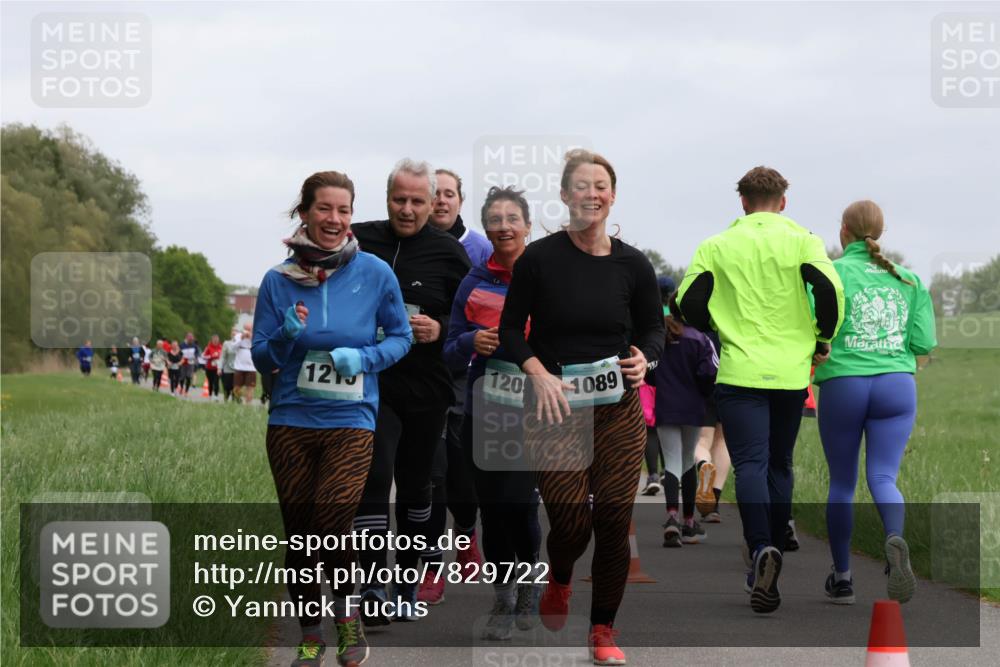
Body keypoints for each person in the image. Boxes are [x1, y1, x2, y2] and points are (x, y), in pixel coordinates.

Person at [498, 149, 664, 664]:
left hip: (616, 406)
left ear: (612, 196)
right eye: (582, 186)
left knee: (614, 517)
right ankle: (561, 575)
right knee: (571, 523)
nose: (592, 194)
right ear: (566, 195)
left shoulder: (633, 263)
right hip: (555, 406)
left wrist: (645, 359)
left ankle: (602, 630)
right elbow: (508, 331)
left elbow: (653, 329)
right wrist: (539, 374)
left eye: (602, 186)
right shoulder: (539, 259)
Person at [252, 170, 412, 666]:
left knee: (332, 522)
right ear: (304, 212)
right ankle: (310, 633)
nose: (335, 220)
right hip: (292, 421)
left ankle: (347, 620)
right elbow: (261, 356)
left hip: (352, 418)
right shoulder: (278, 280)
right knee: (300, 535)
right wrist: (283, 334)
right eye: (325, 209)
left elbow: (401, 337)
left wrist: (363, 360)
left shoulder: (375, 273)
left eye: (344, 210)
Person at [677, 166, 844, 614]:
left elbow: (686, 301)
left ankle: (759, 551)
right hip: (791, 374)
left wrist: (715, 325)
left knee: (749, 462)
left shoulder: (716, 245)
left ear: (744, 202)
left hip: (740, 371)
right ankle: (774, 543)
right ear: (783, 202)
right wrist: (821, 336)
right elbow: (828, 290)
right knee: (779, 463)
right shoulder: (804, 240)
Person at [351, 159, 471, 625]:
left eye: (417, 201)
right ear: (386, 199)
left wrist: (439, 327)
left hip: (427, 384)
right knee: (375, 479)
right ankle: (374, 583)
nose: (407, 209)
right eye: (399, 200)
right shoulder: (360, 239)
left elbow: (470, 319)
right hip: (372, 383)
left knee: (418, 484)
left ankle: (407, 577)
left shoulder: (448, 253)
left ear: (432, 203)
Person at [814, 200, 936, 605]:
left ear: (843, 231)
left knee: (843, 484)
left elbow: (815, 331)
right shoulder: (909, 280)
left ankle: (843, 578)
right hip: (896, 385)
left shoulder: (830, 273)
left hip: (845, 384)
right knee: (884, 478)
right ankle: (894, 538)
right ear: (880, 232)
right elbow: (923, 343)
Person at [444, 186, 544, 639]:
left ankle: (528, 583)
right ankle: (503, 597)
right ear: (486, 228)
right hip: (486, 404)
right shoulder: (473, 281)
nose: (504, 226)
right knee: (492, 507)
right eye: (495, 220)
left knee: (520, 503)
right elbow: (448, 347)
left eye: (512, 218)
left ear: (527, 224)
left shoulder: (546, 276)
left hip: (535, 405)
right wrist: (471, 342)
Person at [419, 168, 490, 605]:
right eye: (434, 195)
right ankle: (430, 567)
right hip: (420, 376)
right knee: (431, 473)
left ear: (460, 201)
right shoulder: (409, 244)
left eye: (448, 194)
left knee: (462, 476)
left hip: (466, 372)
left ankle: (466, 533)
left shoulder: (480, 248)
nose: (440, 201)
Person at [653, 293, 719, 548]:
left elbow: (649, 372)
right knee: (688, 460)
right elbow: (710, 372)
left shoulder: (661, 337)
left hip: (666, 406)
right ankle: (689, 522)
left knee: (670, 461)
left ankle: (671, 518)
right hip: (693, 408)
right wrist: (702, 393)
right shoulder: (701, 339)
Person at [233, 323, 257, 403]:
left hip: (251, 367)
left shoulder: (255, 336)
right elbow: (233, 347)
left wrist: (251, 337)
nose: (247, 331)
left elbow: (258, 346)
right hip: (239, 366)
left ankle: (248, 405)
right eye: (246, 329)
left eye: (249, 329)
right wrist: (242, 338)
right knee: (236, 388)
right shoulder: (238, 336)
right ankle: (238, 401)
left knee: (250, 387)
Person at [220, 328, 239, 401]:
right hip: (227, 368)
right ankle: (226, 400)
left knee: (236, 387)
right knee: (227, 386)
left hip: (237, 369)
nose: (234, 336)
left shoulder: (240, 344)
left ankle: (235, 401)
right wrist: (219, 367)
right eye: (233, 334)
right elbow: (222, 356)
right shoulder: (226, 343)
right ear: (231, 335)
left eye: (236, 334)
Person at [203, 334, 223, 401]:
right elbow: (203, 356)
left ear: (218, 340)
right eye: (214, 340)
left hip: (218, 368)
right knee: (210, 382)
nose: (215, 341)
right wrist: (211, 356)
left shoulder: (221, 347)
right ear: (212, 340)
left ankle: (216, 396)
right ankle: (210, 395)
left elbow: (223, 356)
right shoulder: (208, 347)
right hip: (209, 368)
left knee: (216, 381)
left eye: (217, 340)